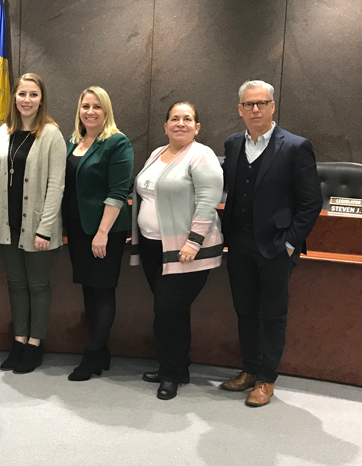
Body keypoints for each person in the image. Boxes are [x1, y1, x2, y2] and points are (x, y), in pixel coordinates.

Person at [220, 80, 322, 407]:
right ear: (239, 109)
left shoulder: (295, 146)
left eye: (261, 103)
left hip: (277, 247)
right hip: (239, 245)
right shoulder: (233, 144)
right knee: (245, 311)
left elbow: (311, 203)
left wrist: (290, 243)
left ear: (272, 106)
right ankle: (249, 370)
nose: (255, 109)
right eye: (248, 104)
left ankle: (266, 378)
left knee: (273, 314)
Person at [130, 102, 223, 400]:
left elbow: (208, 201)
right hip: (151, 245)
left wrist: (193, 241)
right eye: (174, 118)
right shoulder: (157, 153)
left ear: (197, 127)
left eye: (187, 119)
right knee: (169, 312)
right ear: (165, 125)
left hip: (184, 250)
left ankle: (171, 374)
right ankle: (175, 366)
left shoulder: (202, 155)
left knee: (169, 311)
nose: (180, 123)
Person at [0, 73, 66, 374]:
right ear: (14, 98)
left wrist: (45, 228)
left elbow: (56, 186)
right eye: (22, 94)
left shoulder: (51, 135)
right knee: (16, 285)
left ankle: (35, 344)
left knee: (38, 286)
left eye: (33, 95)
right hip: (7, 225)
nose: (27, 100)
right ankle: (18, 340)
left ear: (41, 99)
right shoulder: (4, 132)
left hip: (37, 228)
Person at [62, 87, 133, 381]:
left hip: (105, 230)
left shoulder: (117, 142)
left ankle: (91, 356)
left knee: (102, 290)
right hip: (78, 229)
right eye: (85, 106)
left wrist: (102, 232)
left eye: (96, 107)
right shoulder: (73, 142)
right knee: (88, 289)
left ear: (106, 111)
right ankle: (101, 350)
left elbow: (118, 192)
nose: (90, 111)